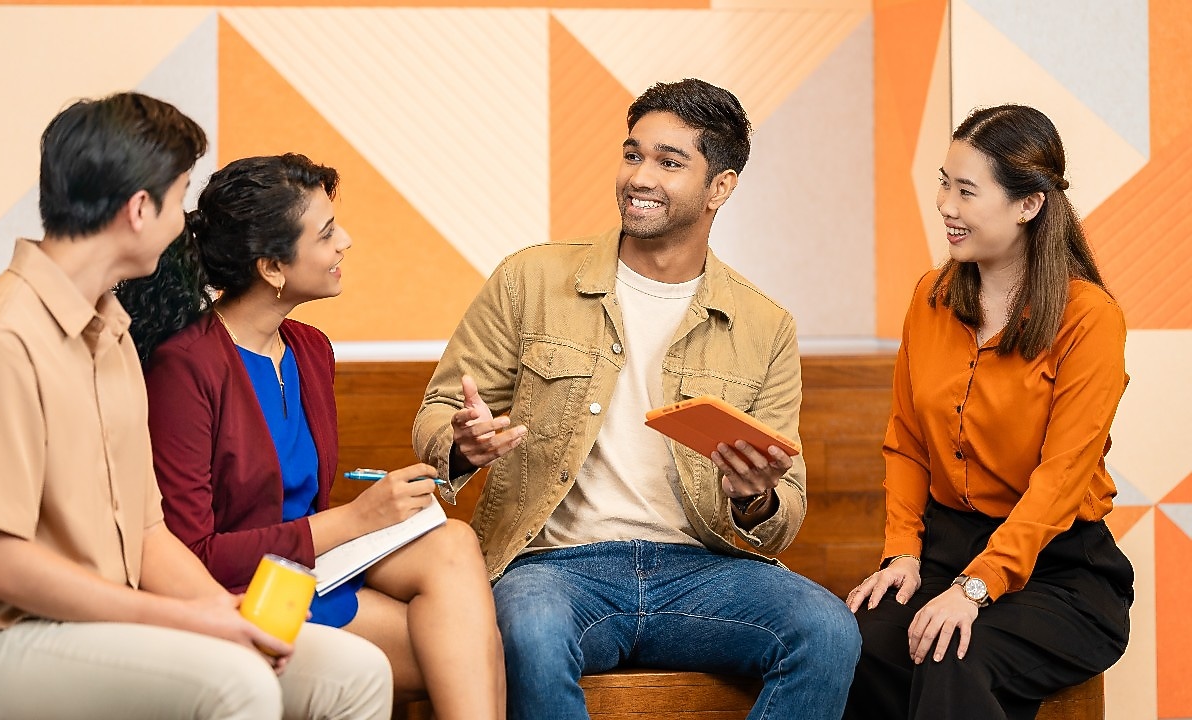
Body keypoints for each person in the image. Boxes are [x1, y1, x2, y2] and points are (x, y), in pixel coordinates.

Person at [0, 93, 392, 720]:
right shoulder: (3, 337)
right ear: (140, 209)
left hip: (114, 624)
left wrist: (226, 613)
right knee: (236, 682)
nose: (184, 228)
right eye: (179, 197)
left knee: (355, 672)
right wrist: (186, 618)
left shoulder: (111, 334)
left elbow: (146, 534)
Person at [412, 78, 860, 720]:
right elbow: (433, 416)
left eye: (669, 162)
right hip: (555, 565)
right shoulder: (529, 280)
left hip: (703, 571)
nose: (639, 177)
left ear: (721, 187)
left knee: (828, 630)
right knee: (528, 629)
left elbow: (786, 504)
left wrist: (753, 495)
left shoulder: (765, 326)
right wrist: (462, 442)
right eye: (633, 154)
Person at [116, 153, 505, 720]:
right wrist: (357, 518)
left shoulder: (310, 349)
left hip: (310, 570)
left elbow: (302, 505)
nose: (345, 241)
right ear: (272, 267)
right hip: (236, 592)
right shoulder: (187, 366)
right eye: (326, 233)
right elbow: (191, 555)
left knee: (452, 545)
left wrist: (390, 503)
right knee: (476, 653)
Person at [843, 105, 1134, 720]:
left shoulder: (1090, 319)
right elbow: (906, 440)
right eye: (944, 183)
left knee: (954, 652)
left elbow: (1062, 480)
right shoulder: (930, 297)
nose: (946, 205)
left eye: (967, 190)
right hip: (945, 546)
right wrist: (902, 553)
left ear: (1028, 205)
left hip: (1060, 570)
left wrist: (976, 587)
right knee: (856, 641)